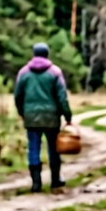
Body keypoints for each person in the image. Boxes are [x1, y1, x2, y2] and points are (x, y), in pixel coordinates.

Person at [15, 43, 73, 192]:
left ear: (34, 54)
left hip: (31, 116)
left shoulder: (23, 72)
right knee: (54, 148)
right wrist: (67, 116)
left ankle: (36, 183)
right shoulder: (55, 72)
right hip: (51, 117)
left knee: (33, 148)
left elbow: (17, 95)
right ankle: (55, 180)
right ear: (47, 54)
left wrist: (22, 112)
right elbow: (62, 97)